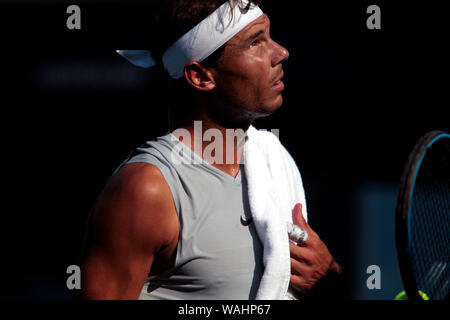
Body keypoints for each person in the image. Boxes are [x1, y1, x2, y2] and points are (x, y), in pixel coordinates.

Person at [79, 0, 342, 300]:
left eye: (269, 36)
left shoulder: (272, 161)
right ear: (202, 76)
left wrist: (329, 278)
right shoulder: (146, 189)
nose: (281, 52)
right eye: (256, 42)